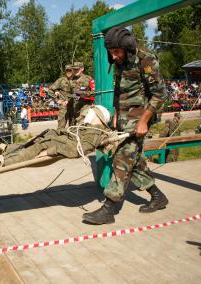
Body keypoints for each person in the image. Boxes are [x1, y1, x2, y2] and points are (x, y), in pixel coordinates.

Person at [82, 26, 168, 225]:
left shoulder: (146, 59)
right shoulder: (120, 60)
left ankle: (108, 209)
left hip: (139, 120)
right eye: (111, 51)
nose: (114, 55)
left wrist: (144, 121)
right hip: (123, 118)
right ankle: (158, 196)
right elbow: (119, 89)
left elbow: (160, 95)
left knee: (122, 159)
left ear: (127, 48)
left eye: (117, 51)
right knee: (134, 162)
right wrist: (115, 113)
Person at [0, 105, 113, 172]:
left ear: (97, 116)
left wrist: (49, 152)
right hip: (43, 141)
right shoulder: (85, 129)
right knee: (5, 150)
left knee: (5, 162)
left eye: (89, 112)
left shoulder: (94, 133)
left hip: (43, 147)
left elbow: (76, 150)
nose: (85, 114)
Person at [49, 62, 93, 130]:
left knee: (77, 126)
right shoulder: (66, 80)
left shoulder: (87, 79)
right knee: (62, 127)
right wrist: (57, 99)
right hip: (67, 106)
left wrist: (85, 94)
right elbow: (52, 90)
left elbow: (93, 91)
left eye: (71, 70)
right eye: (67, 70)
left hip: (81, 106)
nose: (69, 72)